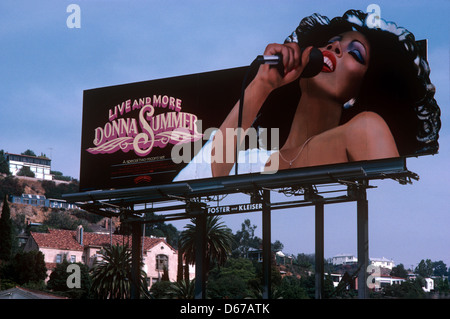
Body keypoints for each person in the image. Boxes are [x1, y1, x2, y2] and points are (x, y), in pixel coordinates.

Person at [174, 9, 441, 181]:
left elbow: (388, 206)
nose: (335, 47)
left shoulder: (366, 130)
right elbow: (196, 179)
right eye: (332, 42)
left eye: (355, 53)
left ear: (356, 94)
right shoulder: (254, 160)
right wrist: (261, 85)